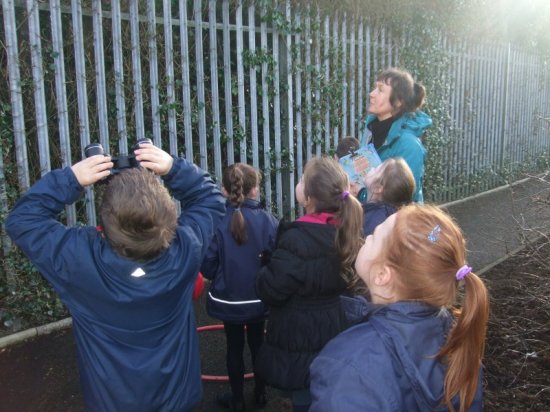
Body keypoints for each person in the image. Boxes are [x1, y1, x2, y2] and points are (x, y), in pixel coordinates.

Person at [5, 143, 226, 411]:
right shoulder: (185, 249)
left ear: (105, 220)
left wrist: (71, 179)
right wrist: (173, 168)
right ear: (170, 217)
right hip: (176, 399)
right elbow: (210, 199)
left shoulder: (78, 262)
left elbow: (23, 220)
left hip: (112, 403)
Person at [309, 204, 489, 411]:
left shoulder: (348, 364)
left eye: (374, 236)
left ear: (382, 275)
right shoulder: (459, 342)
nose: (366, 238)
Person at [255, 156, 364, 411]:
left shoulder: (295, 239)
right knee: (324, 386)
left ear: (308, 199)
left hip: (297, 333)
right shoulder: (346, 230)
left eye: (303, 179)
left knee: (303, 393)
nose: (300, 181)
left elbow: (271, 289)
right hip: (333, 326)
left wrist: (264, 269)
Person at [201, 163, 278, 412]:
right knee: (258, 344)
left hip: (229, 300)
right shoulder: (268, 221)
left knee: (233, 347)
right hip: (258, 299)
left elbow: (208, 264)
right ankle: (261, 394)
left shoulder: (218, 222)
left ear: (224, 190)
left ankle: (236, 400)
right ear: (255, 189)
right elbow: (276, 259)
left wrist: (221, 278)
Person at [360, 67, 432, 203]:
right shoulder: (370, 130)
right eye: (375, 88)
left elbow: (403, 201)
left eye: (380, 90)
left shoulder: (410, 146)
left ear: (399, 101)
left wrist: (361, 194)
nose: (371, 94)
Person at [362, 157, 415, 236]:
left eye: (376, 170)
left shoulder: (373, 222)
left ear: (378, 188)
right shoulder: (389, 214)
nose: (372, 168)